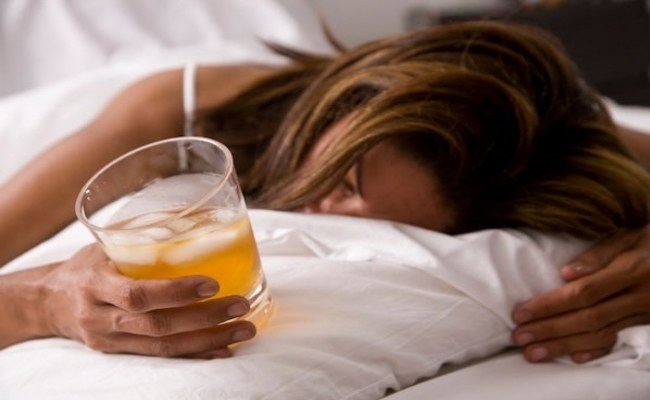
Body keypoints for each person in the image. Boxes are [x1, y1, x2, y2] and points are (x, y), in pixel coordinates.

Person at [1, 20, 650, 363]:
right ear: (343, 106)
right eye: (343, 179)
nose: (327, 213)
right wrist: (44, 301)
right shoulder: (174, 110)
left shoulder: (537, 135)